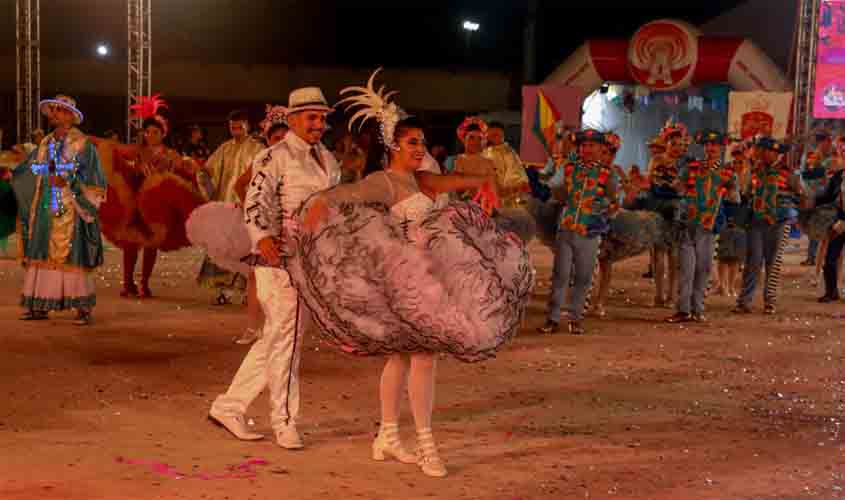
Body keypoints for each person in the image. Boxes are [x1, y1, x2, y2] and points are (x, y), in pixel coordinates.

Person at [297, 69, 522, 478]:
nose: (420, 148)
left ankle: (386, 435)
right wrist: (318, 205)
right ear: (393, 145)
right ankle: (426, 443)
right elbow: (344, 194)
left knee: (402, 359)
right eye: (412, 142)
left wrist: (486, 176)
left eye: (422, 142)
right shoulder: (385, 182)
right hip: (406, 285)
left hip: (433, 278)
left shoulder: (425, 180)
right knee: (422, 357)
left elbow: (469, 178)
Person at [208, 87, 342, 451]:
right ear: (294, 120)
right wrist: (264, 238)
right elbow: (254, 202)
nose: (318, 124)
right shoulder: (274, 156)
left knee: (279, 339)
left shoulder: (327, 159)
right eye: (311, 117)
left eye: (322, 117)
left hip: (310, 261)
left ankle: (229, 406)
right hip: (278, 260)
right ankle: (284, 421)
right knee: (288, 339)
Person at [1, 95, 106, 325]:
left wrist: (70, 183)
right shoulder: (46, 142)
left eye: (60, 110)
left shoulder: (83, 145)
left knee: (71, 255)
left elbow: (94, 179)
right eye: (54, 110)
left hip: (71, 206)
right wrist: (13, 173)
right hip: (46, 204)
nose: (55, 113)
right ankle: (39, 304)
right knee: (41, 254)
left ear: (70, 116)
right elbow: (32, 168)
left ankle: (81, 307)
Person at [99, 95, 203, 299]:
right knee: (130, 243)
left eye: (155, 132)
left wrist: (181, 167)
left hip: (156, 209)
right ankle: (128, 283)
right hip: (134, 202)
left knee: (151, 244)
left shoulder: (170, 154)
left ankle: (144, 283)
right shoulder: (137, 151)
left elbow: (183, 174)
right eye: (147, 132)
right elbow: (115, 152)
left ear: (163, 133)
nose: (150, 135)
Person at [538, 129, 619, 335]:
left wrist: (604, 212)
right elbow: (554, 188)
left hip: (590, 232)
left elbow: (614, 202)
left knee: (583, 276)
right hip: (566, 227)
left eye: (592, 146)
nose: (587, 149)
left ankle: (575, 318)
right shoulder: (569, 168)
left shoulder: (608, 174)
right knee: (560, 275)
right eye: (583, 146)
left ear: (601, 149)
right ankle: (553, 318)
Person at [230, 104, 289, 345]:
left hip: (288, 228)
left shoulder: (297, 163)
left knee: (285, 278)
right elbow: (239, 185)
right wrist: (250, 209)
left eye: (286, 138)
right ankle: (254, 328)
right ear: (268, 138)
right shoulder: (261, 160)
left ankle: (279, 328)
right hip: (264, 227)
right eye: (276, 138)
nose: (281, 142)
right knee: (257, 277)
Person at [666, 130, 738, 323]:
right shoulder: (691, 167)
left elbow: (735, 198)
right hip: (687, 223)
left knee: (704, 268)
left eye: (714, 145)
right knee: (687, 268)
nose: (711, 148)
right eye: (707, 145)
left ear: (721, 147)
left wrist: (729, 188)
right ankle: (683, 309)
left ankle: (697, 309)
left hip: (709, 225)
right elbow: (678, 187)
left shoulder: (728, 171)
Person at [196, 110, 264, 304]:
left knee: (247, 250)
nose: (236, 130)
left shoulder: (258, 149)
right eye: (232, 127)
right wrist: (199, 173)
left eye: (239, 126)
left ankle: (246, 292)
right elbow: (208, 171)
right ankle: (224, 291)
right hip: (226, 207)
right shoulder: (224, 149)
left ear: (247, 126)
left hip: (248, 207)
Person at [733, 136, 804, 315]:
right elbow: (744, 191)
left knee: (774, 262)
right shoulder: (755, 170)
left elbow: (802, 194)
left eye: (765, 151)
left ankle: (769, 301)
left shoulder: (789, 173)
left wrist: (792, 209)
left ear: (775, 153)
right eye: (761, 150)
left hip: (780, 221)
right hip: (756, 220)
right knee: (753, 261)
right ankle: (744, 301)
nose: (762, 154)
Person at [648, 121, 689, 307]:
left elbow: (687, 189)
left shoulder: (687, 164)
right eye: (674, 144)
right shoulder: (657, 161)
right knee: (658, 254)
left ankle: (671, 295)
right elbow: (653, 185)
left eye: (681, 145)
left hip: (677, 212)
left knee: (674, 255)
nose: (678, 148)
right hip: (658, 209)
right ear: (667, 144)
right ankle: (658, 294)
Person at [801, 130, 835, 266]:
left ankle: (822, 255)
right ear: (821, 142)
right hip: (815, 195)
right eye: (827, 141)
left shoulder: (830, 155)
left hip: (828, 194)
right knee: (815, 225)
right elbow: (807, 176)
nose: (830, 143)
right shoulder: (812, 156)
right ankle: (812, 256)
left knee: (826, 226)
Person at [482, 121, 530, 208]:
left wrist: (507, 188)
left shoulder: (509, 152)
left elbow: (515, 171)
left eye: (497, 135)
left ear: (502, 135)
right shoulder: (485, 152)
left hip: (509, 193)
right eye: (492, 135)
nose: (494, 137)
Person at [814, 167, 845, 302]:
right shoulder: (839, 175)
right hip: (838, 220)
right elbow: (828, 195)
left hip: (841, 221)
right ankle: (831, 292)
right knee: (830, 258)